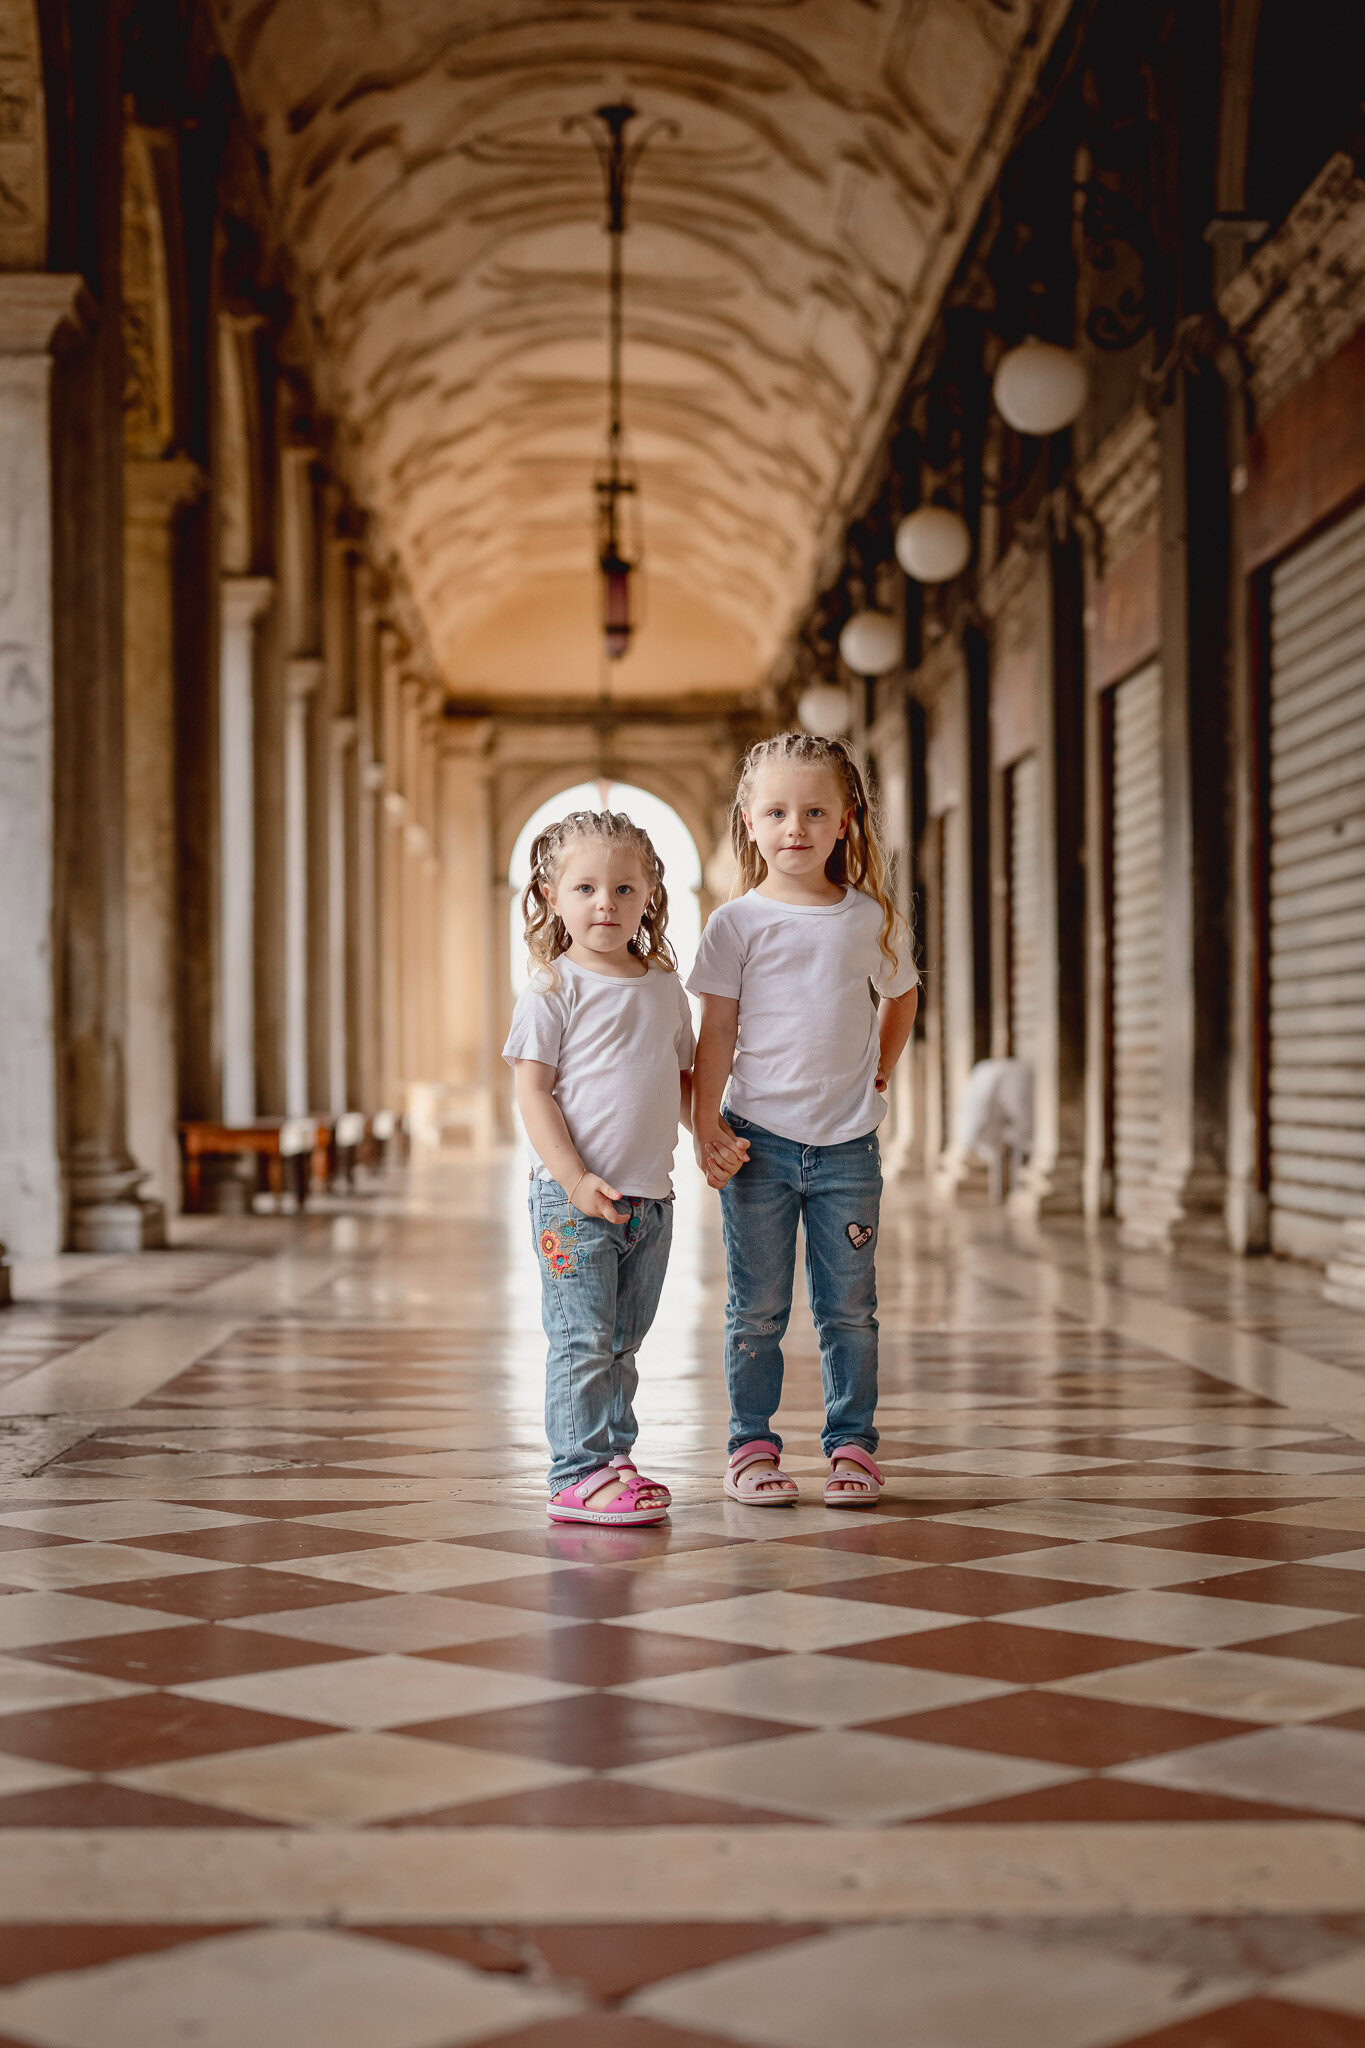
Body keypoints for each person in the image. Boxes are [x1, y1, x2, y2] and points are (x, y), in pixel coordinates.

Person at [688, 733, 919, 1509]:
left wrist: (881, 1064)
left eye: (814, 810)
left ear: (845, 820)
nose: (796, 826)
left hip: (848, 1147)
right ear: (747, 822)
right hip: (758, 1145)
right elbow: (715, 1030)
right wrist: (704, 1124)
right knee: (755, 1307)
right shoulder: (735, 925)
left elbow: (902, 992)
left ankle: (851, 1445)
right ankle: (750, 1444)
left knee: (848, 1308)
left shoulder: (868, 917)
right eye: (777, 811)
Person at [504, 808, 744, 1526]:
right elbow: (531, 1089)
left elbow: (677, 1080)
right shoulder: (553, 989)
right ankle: (574, 1473)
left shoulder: (665, 988)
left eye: (622, 889)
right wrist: (575, 1180)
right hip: (572, 1203)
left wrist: (708, 1133)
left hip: (650, 1199)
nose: (603, 903)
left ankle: (612, 1456)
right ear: (552, 899)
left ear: (649, 896)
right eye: (583, 889)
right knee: (580, 1341)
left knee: (622, 1342)